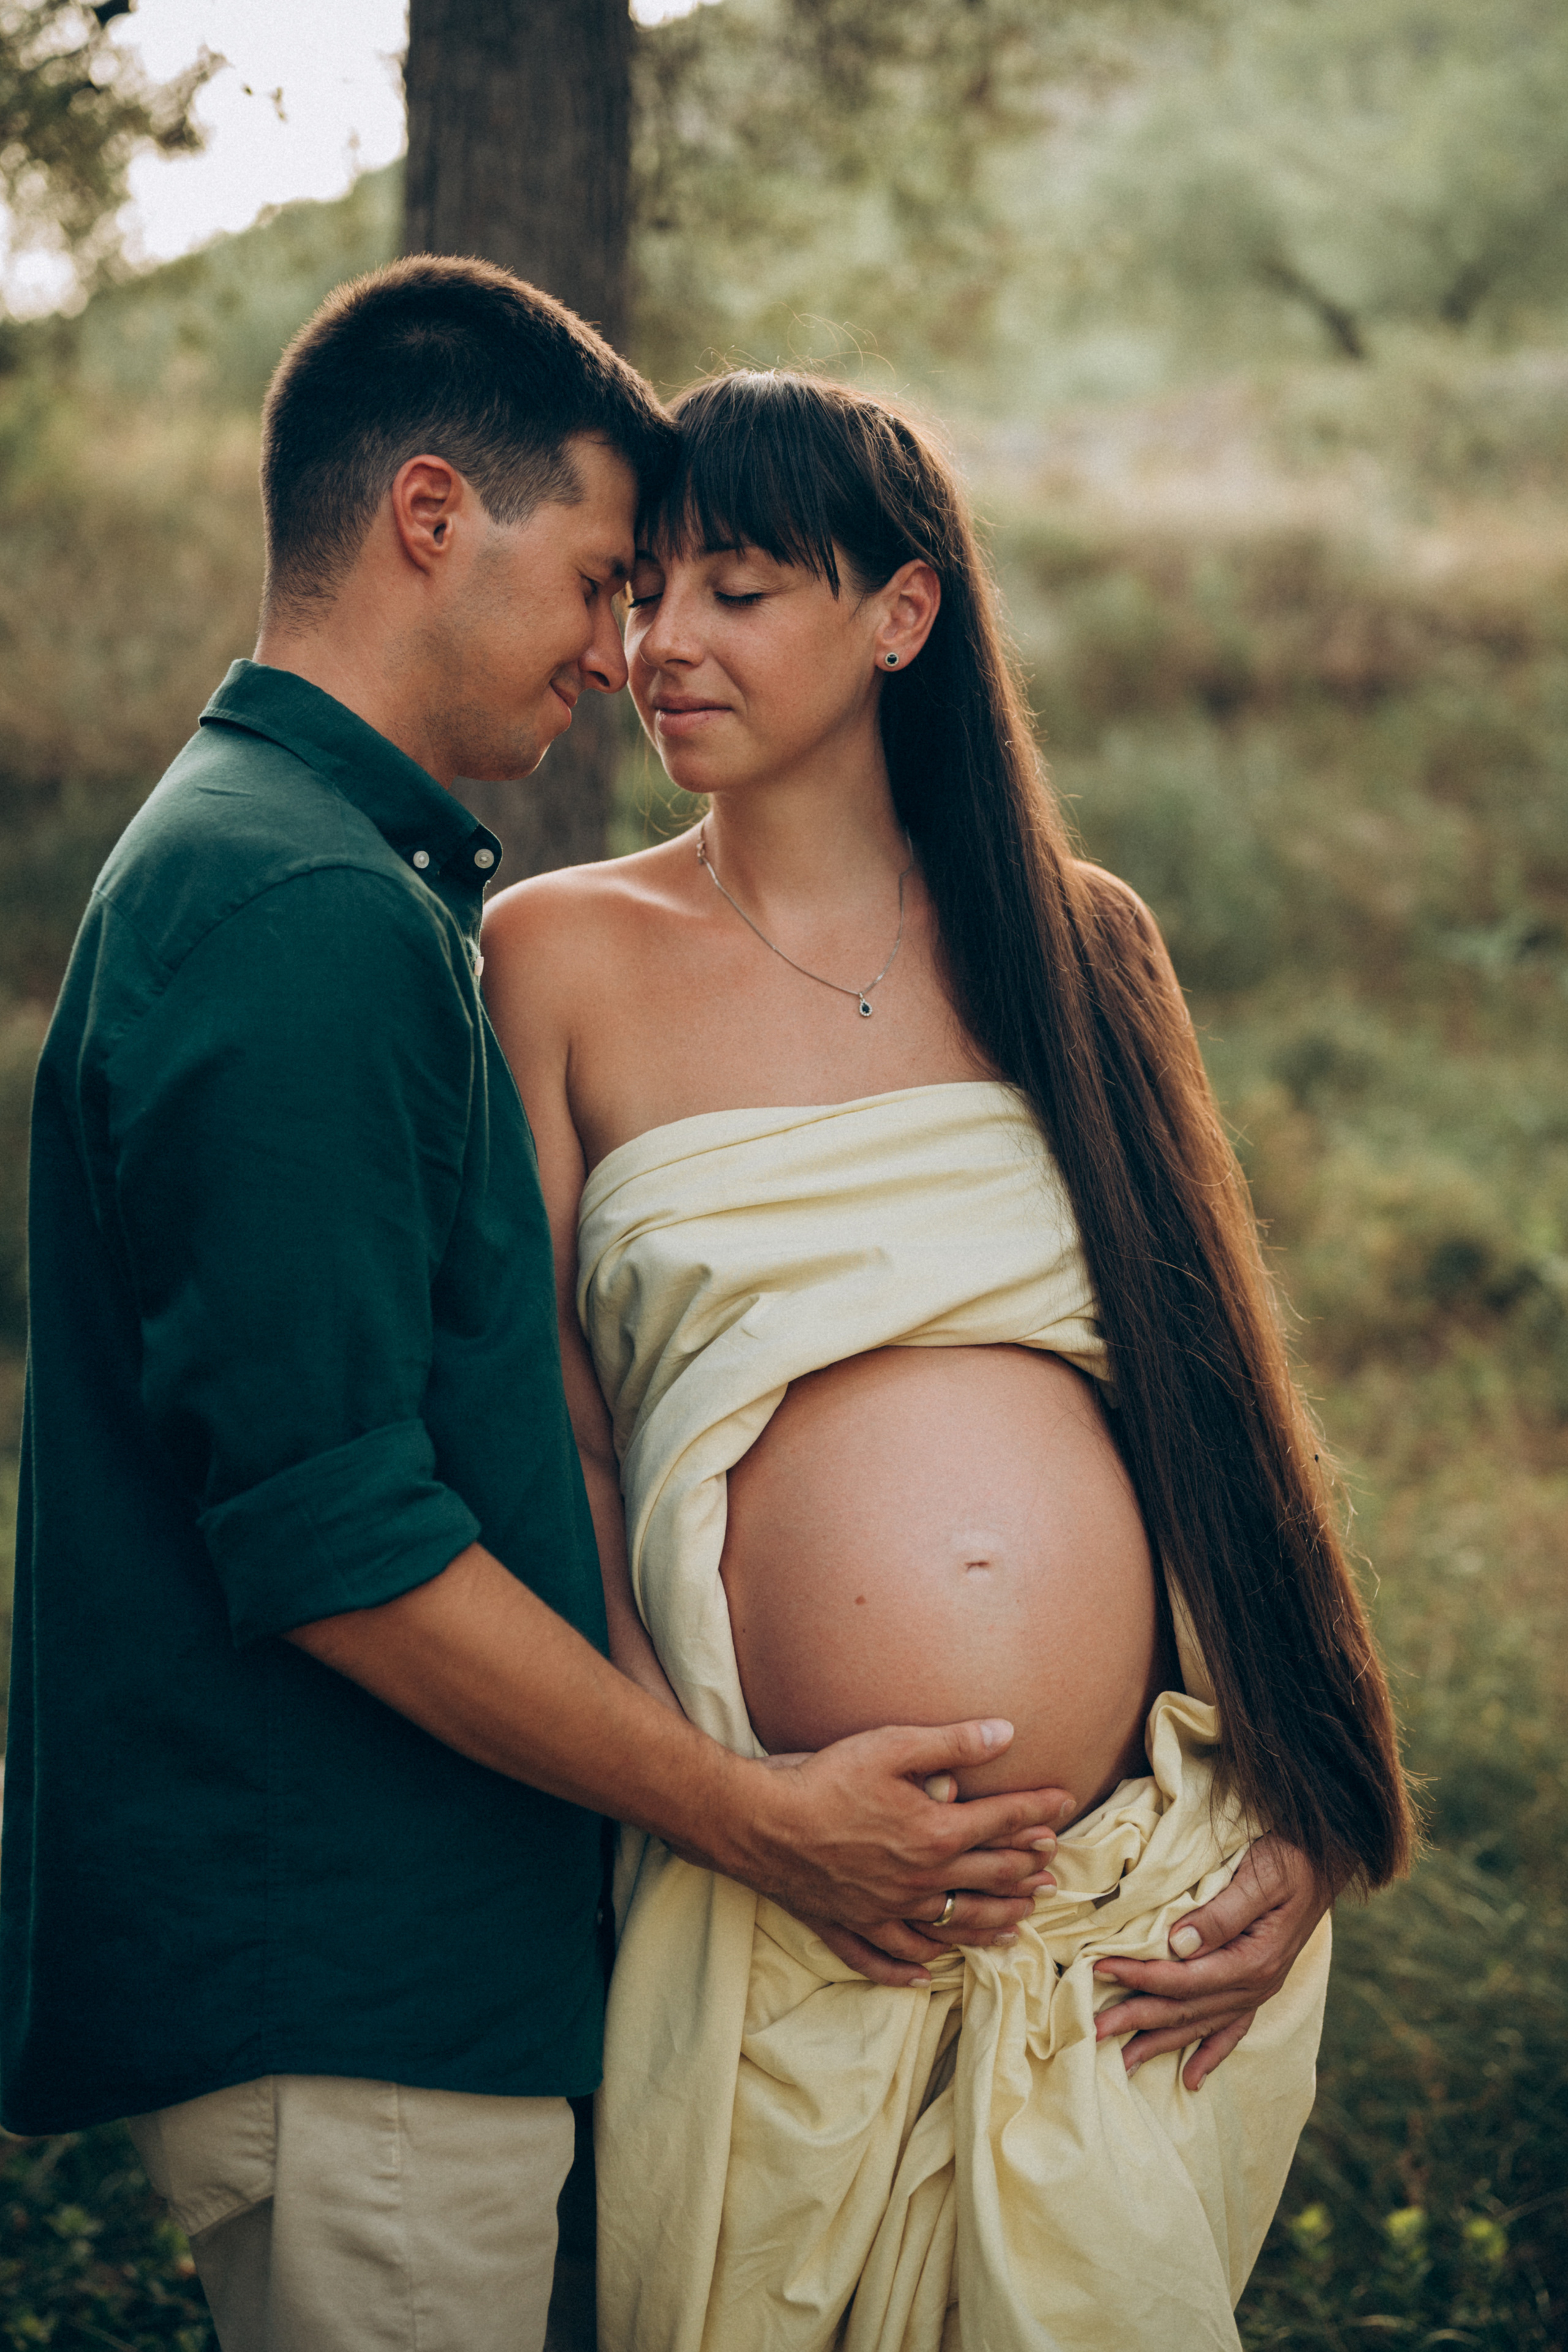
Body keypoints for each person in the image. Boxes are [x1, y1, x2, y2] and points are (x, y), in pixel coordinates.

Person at [0, 270, 1081, 2352]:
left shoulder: (321, 870)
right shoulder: (301, 904)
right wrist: (759, 1821)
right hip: (358, 1980)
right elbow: (338, 1544)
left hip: (440, 1981)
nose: (624, 650)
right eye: (602, 576)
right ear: (430, 516)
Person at [480, 369, 1415, 2350]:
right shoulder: (553, 954)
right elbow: (548, 1437)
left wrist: (1324, 1809)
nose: (660, 647)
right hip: (766, 1883)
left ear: (903, 613)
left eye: (735, 590)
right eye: (644, 593)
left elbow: (1216, 1391)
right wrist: (721, 1809)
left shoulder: (1075, 944)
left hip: (1134, 1894)